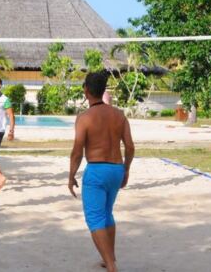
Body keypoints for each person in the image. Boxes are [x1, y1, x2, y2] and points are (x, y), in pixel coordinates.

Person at [68, 72, 135, 272]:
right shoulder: (119, 115)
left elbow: (77, 152)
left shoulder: (84, 118)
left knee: (95, 219)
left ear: (86, 90)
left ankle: (112, 266)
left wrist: (71, 176)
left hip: (97, 169)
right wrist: (126, 169)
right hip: (116, 169)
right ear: (103, 90)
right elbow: (130, 147)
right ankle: (110, 258)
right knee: (106, 214)